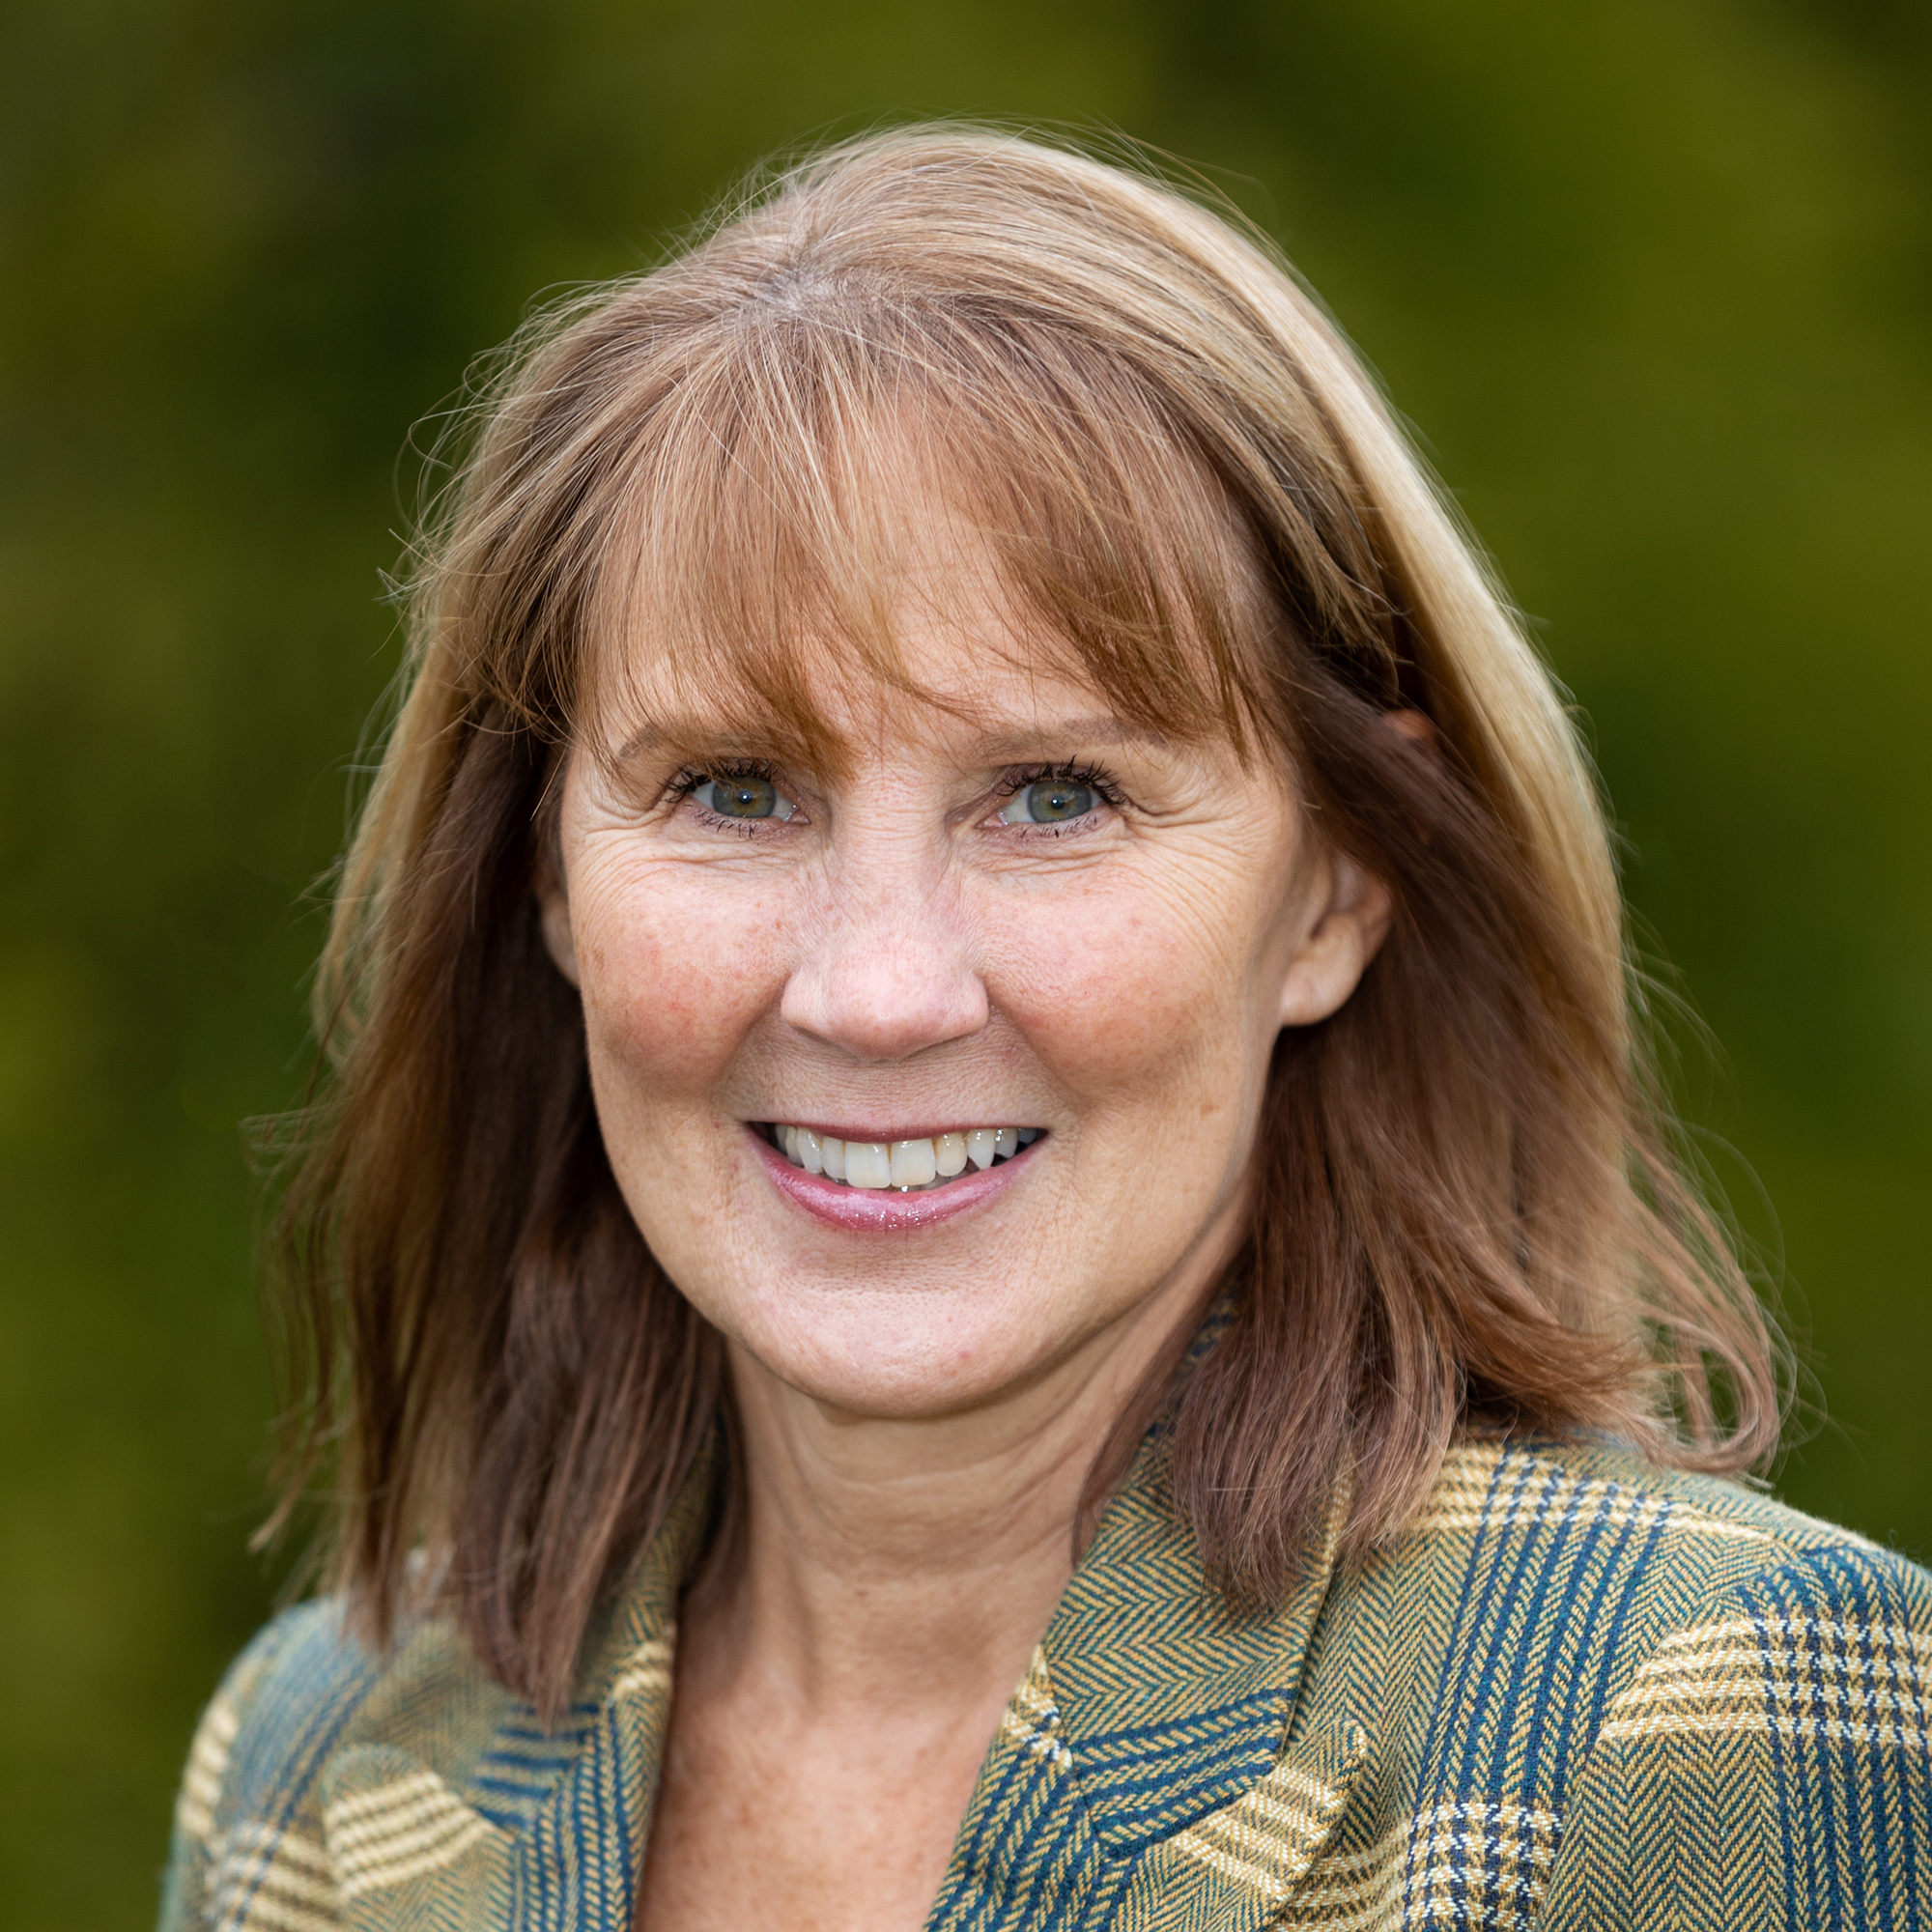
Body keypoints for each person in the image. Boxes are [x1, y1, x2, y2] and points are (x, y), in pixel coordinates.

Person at [159, 128, 1931, 1932]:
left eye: (1059, 795)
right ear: (546, 875)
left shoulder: (1700, 1718)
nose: (876, 990)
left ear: (1337, 886)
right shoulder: (327, 1764)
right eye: (734, 790)